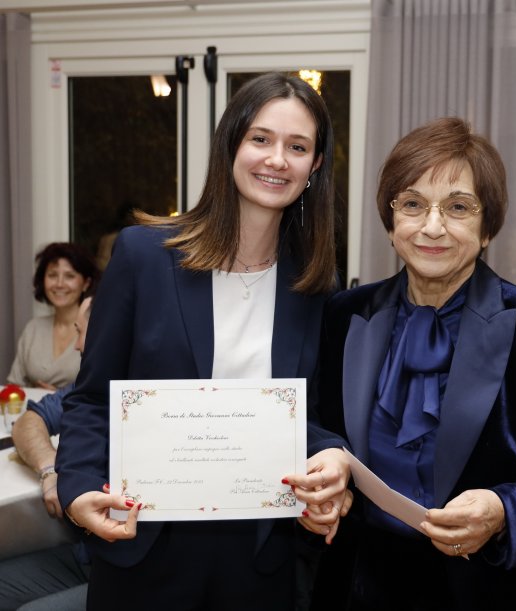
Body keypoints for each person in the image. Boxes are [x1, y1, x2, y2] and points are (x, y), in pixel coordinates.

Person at [299, 117, 516, 611]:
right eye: (412, 204)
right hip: (366, 585)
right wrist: (325, 484)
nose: (432, 226)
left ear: (487, 225)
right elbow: (318, 428)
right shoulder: (344, 315)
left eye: (458, 207)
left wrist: (504, 510)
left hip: (506, 590)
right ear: (390, 223)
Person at [55, 72, 350, 611]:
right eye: (260, 138)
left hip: (262, 563)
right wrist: (76, 490)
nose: (277, 159)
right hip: (140, 548)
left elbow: (314, 417)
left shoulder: (314, 283)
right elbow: (92, 397)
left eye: (298, 146)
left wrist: (333, 461)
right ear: (230, 145)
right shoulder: (144, 256)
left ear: (316, 167)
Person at [0, 297, 93, 611]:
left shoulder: (151, 399)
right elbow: (30, 419)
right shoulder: (88, 387)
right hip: (84, 554)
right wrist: (49, 467)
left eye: (83, 333)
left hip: (128, 573)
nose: (77, 345)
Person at [6, 242, 99, 390]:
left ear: (86, 283)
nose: (59, 284)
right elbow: (14, 387)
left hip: (75, 413)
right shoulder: (33, 328)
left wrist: (58, 400)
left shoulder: (95, 329)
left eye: (69, 276)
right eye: (52, 275)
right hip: (29, 412)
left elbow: (102, 392)